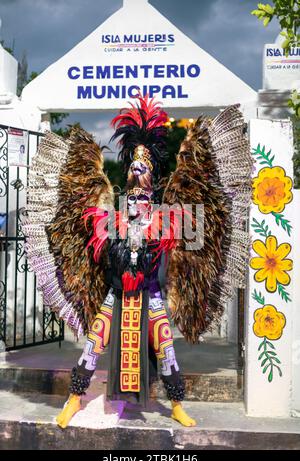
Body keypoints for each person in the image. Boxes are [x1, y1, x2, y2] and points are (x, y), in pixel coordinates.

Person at [22, 94, 253, 429]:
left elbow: (195, 237)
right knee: (94, 342)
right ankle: (74, 399)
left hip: (151, 295)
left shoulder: (168, 220)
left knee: (166, 347)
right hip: (116, 295)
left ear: (151, 183)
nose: (136, 171)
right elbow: (99, 251)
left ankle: (176, 405)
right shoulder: (109, 218)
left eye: (143, 169)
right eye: (132, 167)